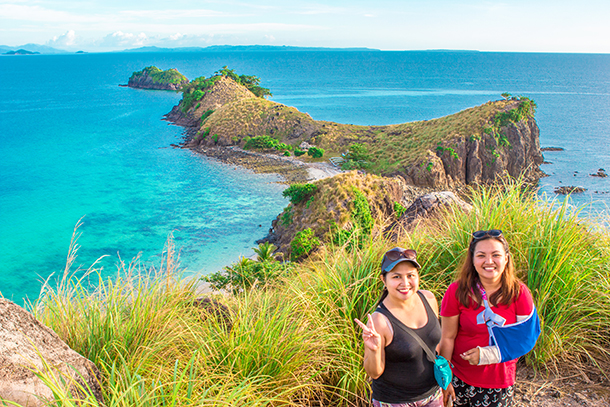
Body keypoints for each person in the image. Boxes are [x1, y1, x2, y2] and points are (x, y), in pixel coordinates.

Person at [438, 230, 536, 407]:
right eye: (481, 255)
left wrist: (486, 356)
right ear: (473, 259)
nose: (489, 261)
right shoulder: (456, 291)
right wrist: (445, 381)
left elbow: (526, 339)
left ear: (506, 258)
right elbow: (447, 338)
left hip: (498, 382)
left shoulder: (519, 293)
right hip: (459, 377)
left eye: (496, 255)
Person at [355, 248, 443, 407]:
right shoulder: (379, 320)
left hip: (433, 394)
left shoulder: (429, 299)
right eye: (396, 277)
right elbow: (374, 373)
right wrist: (374, 350)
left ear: (418, 276)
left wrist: (445, 381)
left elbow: (436, 344)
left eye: (411, 275)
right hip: (396, 401)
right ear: (384, 279)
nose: (405, 283)